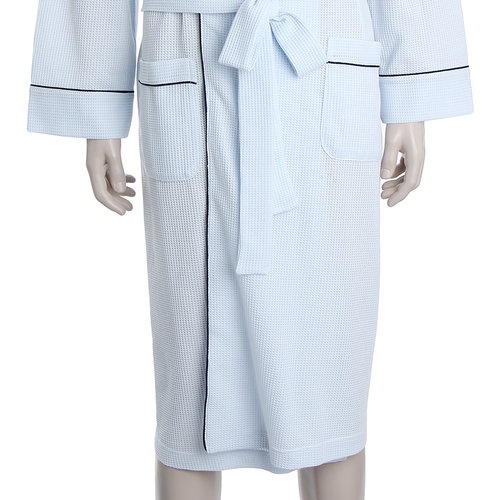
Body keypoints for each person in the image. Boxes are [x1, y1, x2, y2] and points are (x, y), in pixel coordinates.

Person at [27, 1, 473, 499]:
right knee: (190, 402)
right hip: (191, 56)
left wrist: (411, 98)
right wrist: (96, 111)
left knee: (332, 387)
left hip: (326, 50)